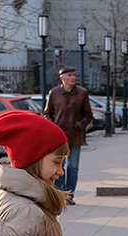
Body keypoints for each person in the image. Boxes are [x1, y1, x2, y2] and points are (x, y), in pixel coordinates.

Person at [43, 67, 93, 205]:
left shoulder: (82, 93)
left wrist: (80, 125)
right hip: (58, 137)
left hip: (75, 135)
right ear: (62, 77)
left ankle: (69, 194)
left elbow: (88, 115)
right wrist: (53, 127)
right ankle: (59, 194)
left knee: (73, 166)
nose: (73, 77)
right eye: (69, 75)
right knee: (59, 166)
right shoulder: (54, 93)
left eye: (74, 75)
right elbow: (47, 113)